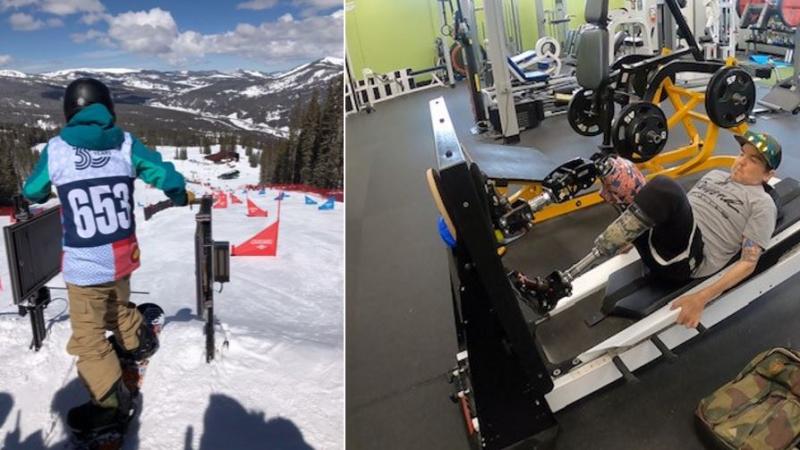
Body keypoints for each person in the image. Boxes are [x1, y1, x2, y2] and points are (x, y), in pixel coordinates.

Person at [21, 77, 194, 432]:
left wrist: (38, 195)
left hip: (85, 264)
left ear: (70, 111)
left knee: (88, 339)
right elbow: (165, 175)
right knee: (116, 305)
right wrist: (178, 194)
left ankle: (111, 405)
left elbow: (33, 191)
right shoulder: (126, 143)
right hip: (122, 255)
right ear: (108, 109)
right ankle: (138, 341)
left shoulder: (56, 150)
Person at [518, 131, 781, 329]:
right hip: (666, 242)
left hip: (687, 260)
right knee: (613, 168)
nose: (741, 162)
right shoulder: (714, 176)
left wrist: (700, 298)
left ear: (768, 174)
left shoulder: (762, 203)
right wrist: (634, 234)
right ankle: (551, 288)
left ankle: (567, 275)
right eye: (742, 154)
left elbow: (748, 262)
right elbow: (678, 212)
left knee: (665, 186)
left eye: (753, 160)